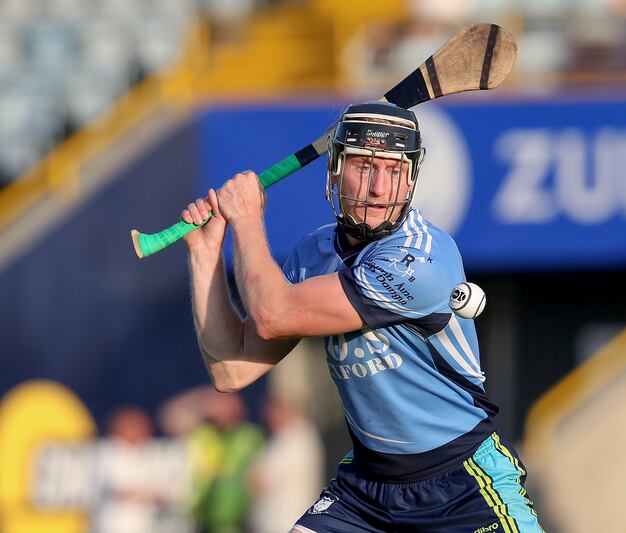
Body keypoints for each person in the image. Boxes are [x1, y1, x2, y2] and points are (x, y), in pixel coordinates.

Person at [181, 101, 543, 532]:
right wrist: (205, 256)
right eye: (365, 166)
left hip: (461, 484)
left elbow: (272, 317)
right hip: (366, 491)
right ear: (335, 171)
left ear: (411, 179)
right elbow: (232, 369)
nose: (378, 187)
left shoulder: (421, 258)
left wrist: (247, 221)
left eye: (394, 170)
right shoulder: (313, 256)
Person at [248, 387, 324, 533]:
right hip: (291, 522)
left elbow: (261, 480)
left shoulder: (291, 438)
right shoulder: (302, 435)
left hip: (282, 523)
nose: (267, 416)